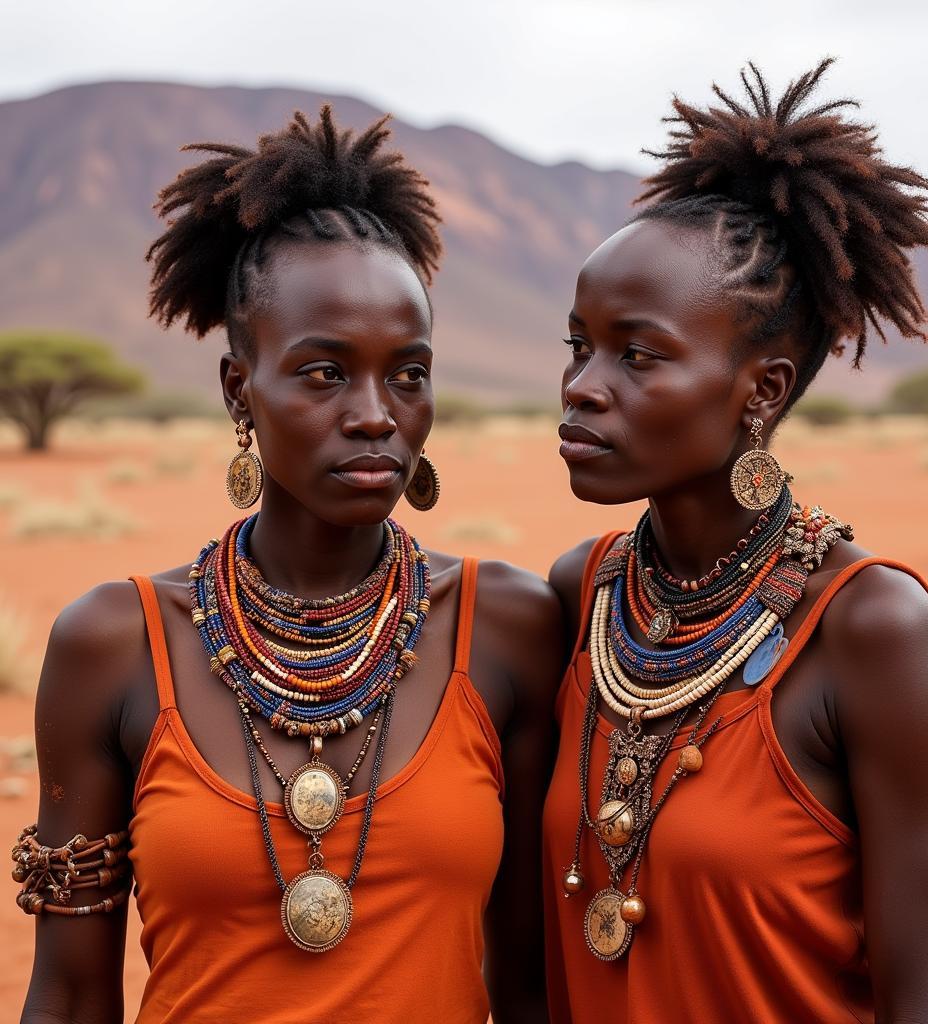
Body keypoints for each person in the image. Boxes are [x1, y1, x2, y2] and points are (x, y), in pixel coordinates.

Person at [16, 106, 561, 1024]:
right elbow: (69, 996)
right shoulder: (114, 646)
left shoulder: (505, 628)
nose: (376, 414)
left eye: (409, 373)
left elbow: (533, 984)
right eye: (324, 373)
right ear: (241, 388)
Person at [543, 61, 928, 1023]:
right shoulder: (584, 595)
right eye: (579, 344)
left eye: (638, 354)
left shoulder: (870, 630)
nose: (582, 384)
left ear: (764, 391)